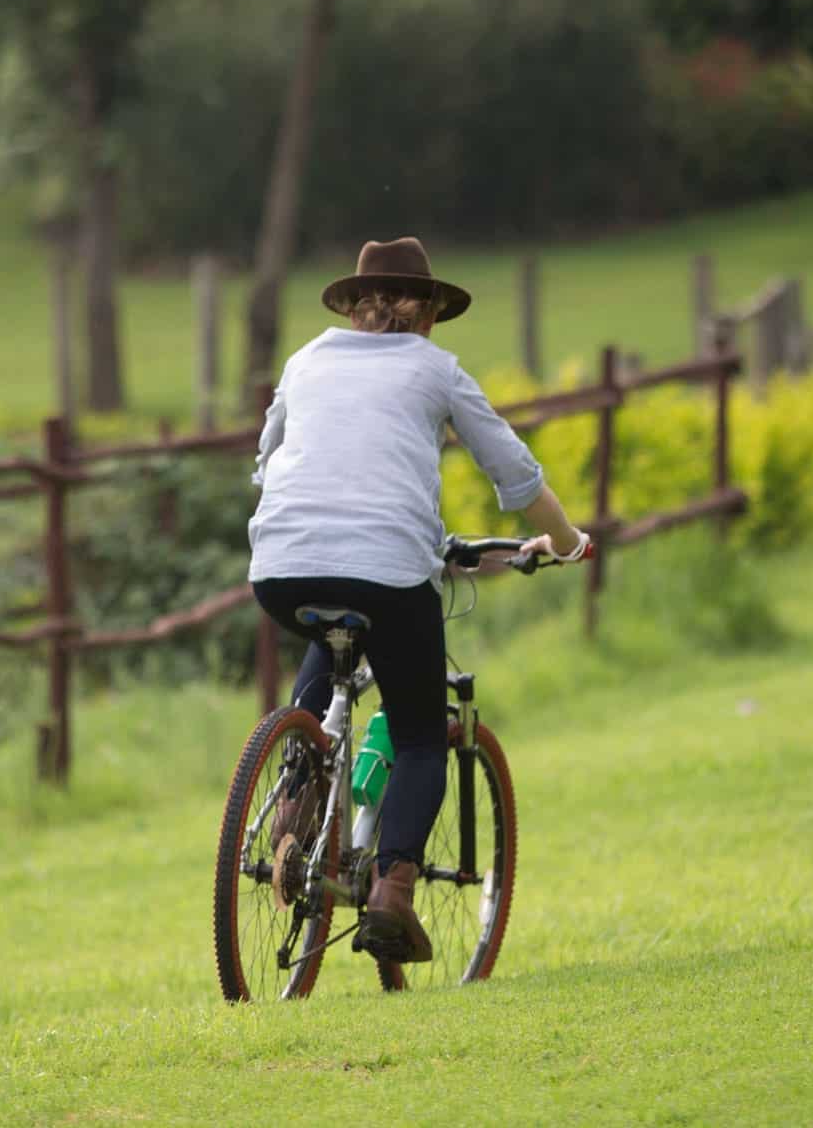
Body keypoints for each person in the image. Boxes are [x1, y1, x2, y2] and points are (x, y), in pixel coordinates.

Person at [248, 237, 588, 964]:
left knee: (328, 635)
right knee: (422, 735)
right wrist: (566, 541)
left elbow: (266, 457)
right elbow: (515, 473)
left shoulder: (306, 359)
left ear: (354, 307)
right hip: (387, 571)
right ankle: (391, 896)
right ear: (430, 311)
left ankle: (294, 801)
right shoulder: (436, 369)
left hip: (280, 564)